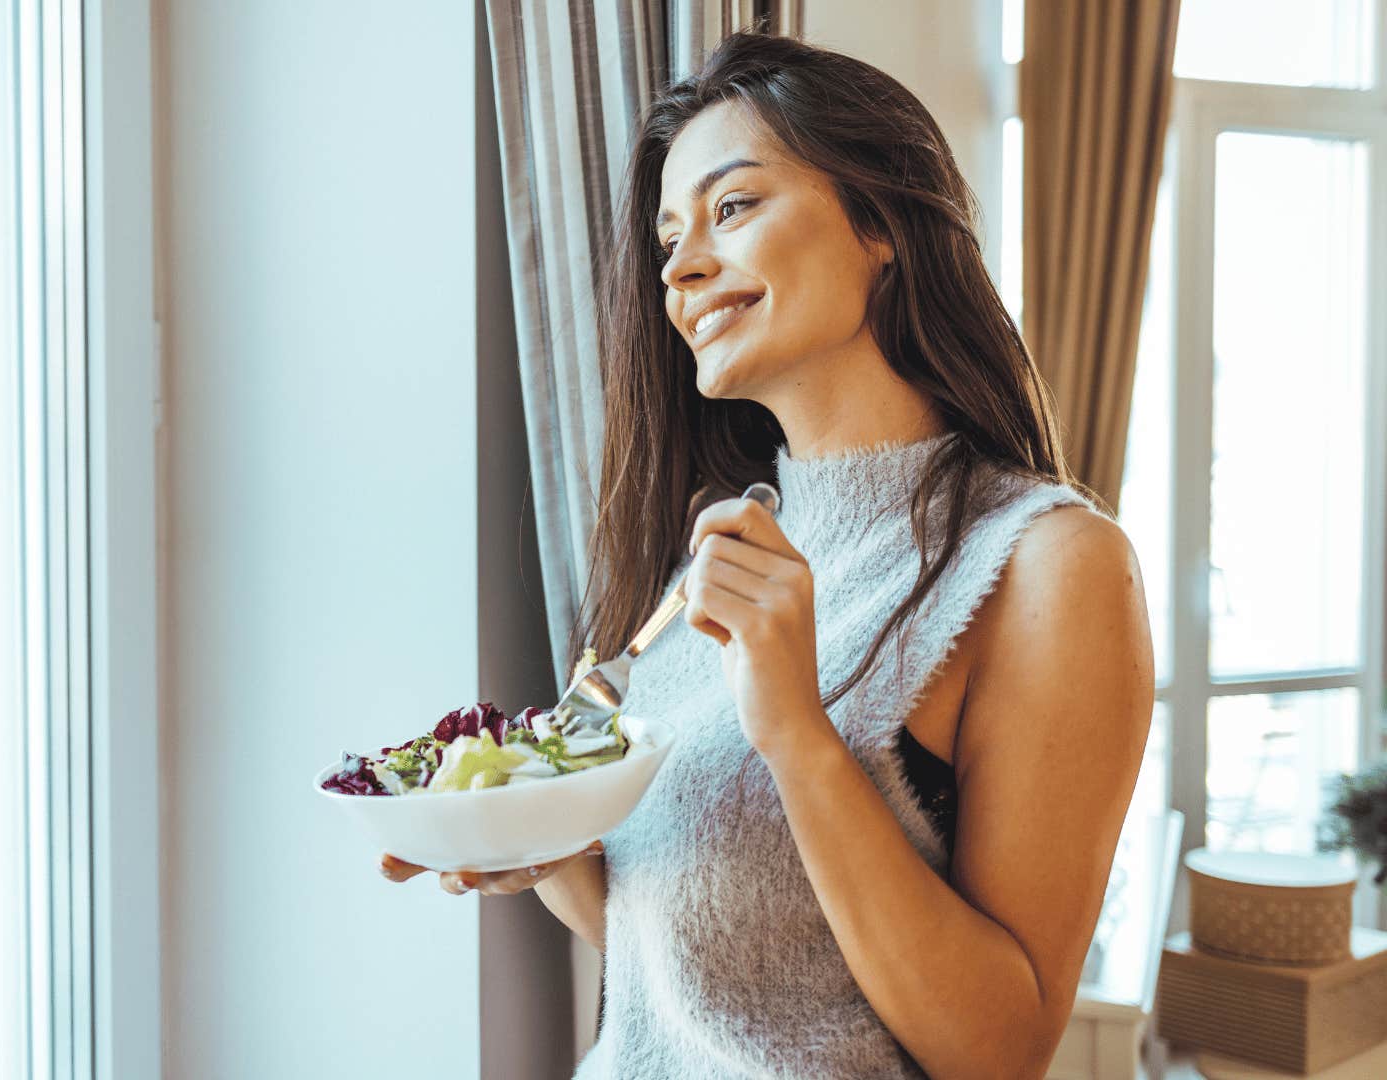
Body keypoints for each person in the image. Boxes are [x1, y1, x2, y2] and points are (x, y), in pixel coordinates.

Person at [378, 30, 1153, 1080]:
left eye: (732, 208)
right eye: (667, 242)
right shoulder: (718, 554)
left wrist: (797, 730)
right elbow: (751, 978)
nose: (685, 266)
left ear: (881, 222)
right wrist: (540, 840)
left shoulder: (1048, 565)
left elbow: (997, 1051)